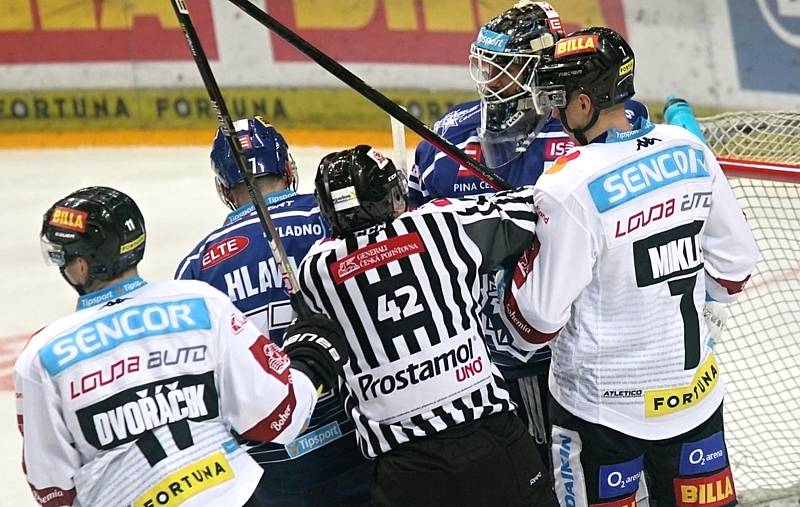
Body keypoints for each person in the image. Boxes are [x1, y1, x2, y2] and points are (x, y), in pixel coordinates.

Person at [501, 27, 758, 507]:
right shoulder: (688, 147)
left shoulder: (567, 185)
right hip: (694, 399)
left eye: (558, 101)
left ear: (583, 104)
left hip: (601, 414)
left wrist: (514, 269)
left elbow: (534, 323)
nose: (555, 114)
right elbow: (735, 269)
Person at [408, 1, 650, 465]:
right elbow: (421, 238)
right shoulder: (447, 138)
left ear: (541, 69)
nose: (489, 79)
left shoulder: (592, 128)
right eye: (487, 64)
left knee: (585, 467)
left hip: (575, 344)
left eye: (505, 68)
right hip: (478, 352)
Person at [15, 186, 345, 506]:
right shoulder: (201, 303)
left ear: (83, 266)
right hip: (230, 495)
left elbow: (52, 488)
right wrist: (308, 362)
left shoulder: (43, 354)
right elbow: (277, 416)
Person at [294, 144, 558, 507]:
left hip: (406, 472)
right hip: (491, 441)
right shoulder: (442, 224)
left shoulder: (312, 273)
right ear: (393, 195)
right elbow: (535, 208)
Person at [175, 117, 372, 506]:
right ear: (288, 167)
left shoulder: (196, 266)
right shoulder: (330, 215)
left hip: (271, 460)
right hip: (360, 428)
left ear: (223, 188)